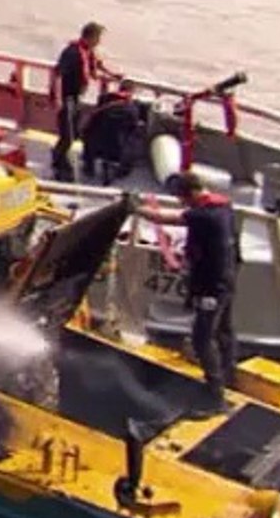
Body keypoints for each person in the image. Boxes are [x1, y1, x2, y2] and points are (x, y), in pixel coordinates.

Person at [135, 171, 239, 418]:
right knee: (224, 330)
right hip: (227, 279)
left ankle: (216, 397)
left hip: (212, 285)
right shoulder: (224, 207)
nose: (181, 202)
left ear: (191, 193)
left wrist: (133, 208)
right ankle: (229, 377)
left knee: (202, 339)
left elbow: (162, 217)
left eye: (182, 198)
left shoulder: (204, 215)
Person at [50, 22, 119, 181]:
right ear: (90, 37)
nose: (99, 42)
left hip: (77, 97)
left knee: (75, 132)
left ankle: (62, 157)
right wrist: (59, 99)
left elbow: (98, 66)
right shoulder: (72, 52)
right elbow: (58, 75)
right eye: (98, 38)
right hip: (67, 97)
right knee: (67, 133)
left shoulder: (88, 52)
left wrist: (114, 76)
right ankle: (59, 164)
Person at [79, 79, 140, 181]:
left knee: (91, 132)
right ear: (132, 92)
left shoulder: (104, 99)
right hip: (117, 146)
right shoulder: (132, 108)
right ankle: (123, 170)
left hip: (96, 143)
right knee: (132, 137)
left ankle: (88, 166)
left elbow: (95, 118)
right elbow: (133, 125)